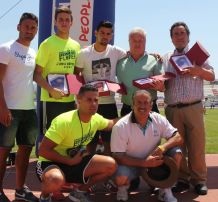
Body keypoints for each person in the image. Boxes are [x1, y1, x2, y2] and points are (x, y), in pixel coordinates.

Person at [36, 84, 117, 202]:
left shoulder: (96, 118)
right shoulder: (64, 121)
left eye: (96, 100)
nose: (93, 103)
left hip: (75, 161)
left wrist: (134, 115)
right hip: (51, 163)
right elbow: (43, 151)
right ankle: (44, 198)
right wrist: (69, 161)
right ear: (78, 99)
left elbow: (112, 123)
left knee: (110, 165)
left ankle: (79, 192)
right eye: (89, 100)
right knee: (55, 180)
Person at [0, 13, 39, 202]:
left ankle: (20, 189)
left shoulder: (34, 53)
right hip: (9, 109)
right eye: (26, 26)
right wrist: (3, 107)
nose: (30, 30)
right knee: (3, 150)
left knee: (26, 149)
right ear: (18, 27)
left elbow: (37, 77)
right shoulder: (5, 48)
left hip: (29, 109)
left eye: (33, 28)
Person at [163, 22, 215, 195]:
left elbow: (212, 75)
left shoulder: (197, 56)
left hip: (193, 106)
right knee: (177, 147)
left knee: (197, 146)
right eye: (176, 34)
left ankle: (199, 180)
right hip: (172, 108)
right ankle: (182, 179)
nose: (179, 36)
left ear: (188, 36)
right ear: (171, 38)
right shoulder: (166, 57)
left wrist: (197, 70)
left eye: (182, 33)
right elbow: (162, 80)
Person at [111, 90, 183, 202]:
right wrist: (144, 163)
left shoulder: (158, 118)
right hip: (131, 164)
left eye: (146, 102)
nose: (142, 106)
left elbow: (178, 137)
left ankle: (166, 188)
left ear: (151, 105)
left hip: (154, 163)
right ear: (132, 104)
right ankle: (123, 188)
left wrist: (163, 147)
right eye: (139, 102)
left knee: (177, 153)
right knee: (120, 177)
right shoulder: (121, 126)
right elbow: (118, 156)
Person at [74, 20, 126, 155]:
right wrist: (78, 100)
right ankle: (89, 171)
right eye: (102, 33)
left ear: (111, 35)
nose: (105, 36)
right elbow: (76, 76)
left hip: (109, 103)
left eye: (108, 34)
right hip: (89, 105)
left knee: (110, 142)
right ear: (95, 33)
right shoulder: (84, 53)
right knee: (90, 143)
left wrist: (153, 54)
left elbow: (134, 54)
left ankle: (108, 171)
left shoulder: (116, 51)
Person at [33, 6, 80, 130]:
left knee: (67, 137)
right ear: (55, 22)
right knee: (49, 139)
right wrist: (51, 90)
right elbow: (36, 74)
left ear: (71, 22)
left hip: (69, 100)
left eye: (67, 19)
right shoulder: (47, 44)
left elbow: (75, 73)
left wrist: (76, 96)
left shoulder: (76, 45)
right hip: (50, 101)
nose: (64, 22)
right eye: (60, 20)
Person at [117, 27, 165, 117]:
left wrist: (161, 87)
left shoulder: (155, 60)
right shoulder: (120, 62)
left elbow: (163, 87)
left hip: (149, 109)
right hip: (127, 109)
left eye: (141, 41)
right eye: (134, 40)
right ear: (129, 42)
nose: (137, 43)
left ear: (145, 42)